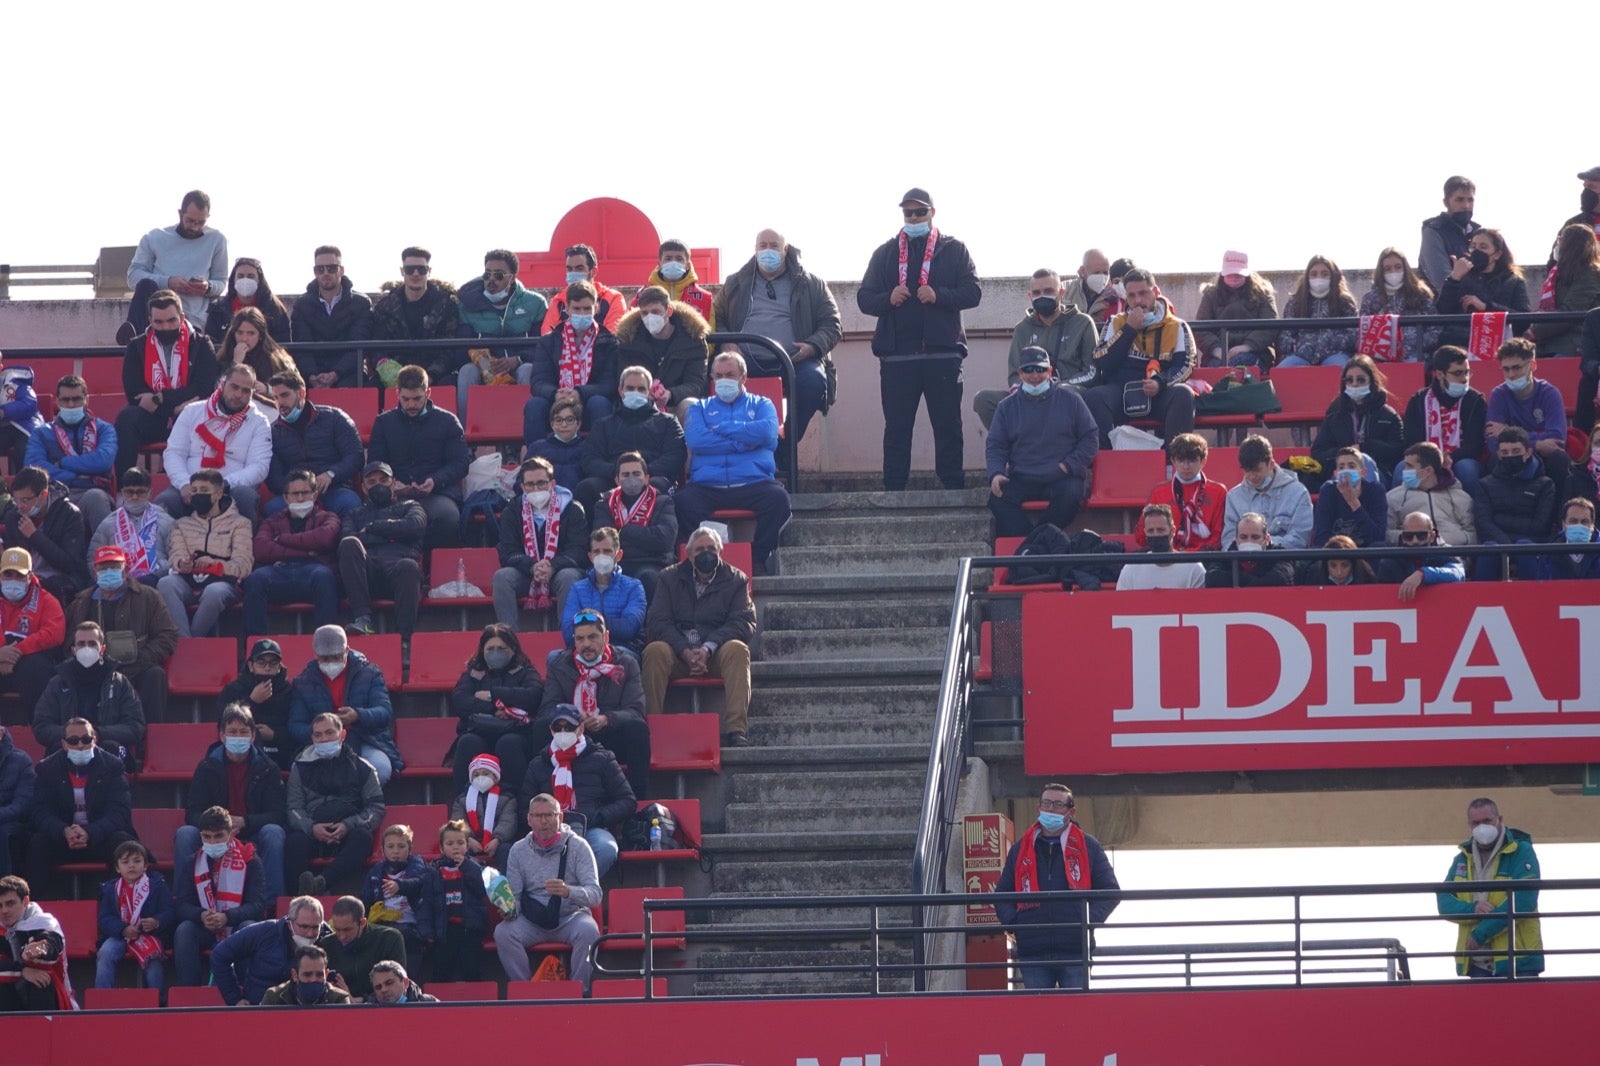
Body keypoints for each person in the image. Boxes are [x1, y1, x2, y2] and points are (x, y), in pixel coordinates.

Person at [857, 188, 982, 491]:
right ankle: (894, 490)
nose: (913, 218)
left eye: (919, 212)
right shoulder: (885, 253)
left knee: (948, 426)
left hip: (942, 354)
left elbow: (973, 292)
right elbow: (864, 299)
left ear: (932, 213)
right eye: (908, 213)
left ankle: (953, 488)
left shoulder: (954, 249)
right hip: (897, 356)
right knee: (897, 428)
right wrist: (888, 298)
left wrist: (939, 295)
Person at [713, 229, 842, 447]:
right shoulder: (735, 283)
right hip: (745, 360)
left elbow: (832, 324)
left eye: (774, 246)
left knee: (813, 382)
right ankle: (740, 448)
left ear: (786, 250)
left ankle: (785, 446)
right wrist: (727, 342)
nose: (767, 251)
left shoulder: (811, 284)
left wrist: (812, 346)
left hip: (794, 360)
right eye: (762, 246)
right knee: (722, 379)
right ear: (755, 250)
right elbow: (717, 318)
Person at [993, 783, 1119, 991]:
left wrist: (1086, 920)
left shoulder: (1088, 846)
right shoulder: (1021, 849)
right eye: (1046, 803)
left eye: (1058, 804)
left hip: (1075, 949)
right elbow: (1002, 895)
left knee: (1077, 1015)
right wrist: (1017, 924)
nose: (1050, 809)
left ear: (1071, 812)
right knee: (1039, 1018)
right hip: (1034, 950)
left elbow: (1110, 892)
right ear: (1038, 808)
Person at [675, 352, 791, 574]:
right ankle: (700, 561)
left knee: (778, 499)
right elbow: (696, 440)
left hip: (753, 483)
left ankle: (758, 559)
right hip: (708, 485)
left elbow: (767, 434)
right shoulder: (700, 408)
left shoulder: (762, 404)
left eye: (730, 374)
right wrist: (744, 440)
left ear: (743, 377)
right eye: (718, 375)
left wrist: (721, 429)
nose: (723, 380)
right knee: (682, 502)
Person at [643, 526, 757, 746]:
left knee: (738, 649)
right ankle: (651, 727)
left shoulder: (736, 580)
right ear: (689, 554)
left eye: (711, 548)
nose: (706, 553)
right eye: (700, 549)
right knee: (654, 651)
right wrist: (684, 651)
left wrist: (708, 648)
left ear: (720, 551)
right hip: (677, 653)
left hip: (715, 654)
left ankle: (736, 730)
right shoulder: (668, 578)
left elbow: (744, 621)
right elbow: (658, 621)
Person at [1076, 268, 1199, 450]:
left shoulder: (1177, 326)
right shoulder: (1115, 322)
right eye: (1131, 296)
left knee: (1183, 395)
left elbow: (1187, 366)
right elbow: (1101, 361)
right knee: (1094, 398)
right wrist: (1129, 330)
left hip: (1159, 392)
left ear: (1156, 292)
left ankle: (1173, 465)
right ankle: (1107, 464)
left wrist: (1160, 382)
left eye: (1143, 293)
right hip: (1120, 391)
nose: (1138, 301)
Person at [492, 794, 602, 990]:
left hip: (571, 917)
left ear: (560, 818)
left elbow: (595, 895)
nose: (543, 821)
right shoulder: (517, 850)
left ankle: (580, 990)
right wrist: (509, 910)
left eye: (549, 815)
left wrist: (568, 891)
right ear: (529, 819)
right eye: (538, 816)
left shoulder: (579, 846)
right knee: (503, 932)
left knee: (589, 930)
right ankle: (525, 990)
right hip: (532, 919)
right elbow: (515, 897)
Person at [984, 349, 1099, 537]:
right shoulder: (1006, 407)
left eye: (1040, 369)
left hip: (1061, 476)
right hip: (1022, 476)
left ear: (1050, 371)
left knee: (1071, 496)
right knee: (997, 500)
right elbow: (996, 445)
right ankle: (1038, 541)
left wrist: (1068, 465)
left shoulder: (1071, 400)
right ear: (1020, 373)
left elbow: (1090, 437)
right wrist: (996, 473)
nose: (1035, 375)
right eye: (1029, 370)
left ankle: (1033, 543)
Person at [178, 704, 288, 899]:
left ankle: (272, 903)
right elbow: (192, 813)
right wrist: (218, 826)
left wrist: (245, 821)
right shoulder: (206, 767)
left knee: (274, 833)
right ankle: (183, 900)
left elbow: (277, 814)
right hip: (214, 835)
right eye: (232, 732)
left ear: (253, 736)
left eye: (244, 732)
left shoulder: (268, 768)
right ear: (222, 736)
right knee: (185, 834)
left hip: (252, 833)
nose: (238, 736)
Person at [540, 612, 652, 798]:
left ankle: (636, 801)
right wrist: (572, 717)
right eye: (580, 639)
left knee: (637, 728)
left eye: (592, 637)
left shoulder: (626, 663)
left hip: (610, 734)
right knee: (539, 728)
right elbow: (547, 708)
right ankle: (545, 802)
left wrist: (606, 719)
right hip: (570, 734)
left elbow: (636, 710)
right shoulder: (559, 665)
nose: (586, 644)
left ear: (606, 636)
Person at [113, 287, 221, 477]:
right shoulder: (137, 346)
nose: (165, 327)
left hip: (190, 416)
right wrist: (174, 407)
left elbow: (204, 388)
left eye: (171, 320)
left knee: (194, 413)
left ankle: (198, 484)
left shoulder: (202, 344)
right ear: (150, 320)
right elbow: (135, 393)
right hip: (154, 420)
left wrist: (160, 398)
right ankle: (125, 489)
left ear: (182, 316)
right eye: (159, 322)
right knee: (127, 418)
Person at [973, 269, 1099, 429]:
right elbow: (1014, 375)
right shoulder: (1022, 329)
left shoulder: (1083, 323)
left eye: (1048, 291)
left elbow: (1092, 372)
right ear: (1030, 296)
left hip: (1068, 394)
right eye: (1037, 292)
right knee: (984, 399)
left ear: (1061, 292)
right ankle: (1013, 448)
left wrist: (1059, 387)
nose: (1042, 296)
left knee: (1067, 394)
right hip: (1030, 394)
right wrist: (1031, 392)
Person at [66, 545, 180, 722]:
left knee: (155, 675)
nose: (108, 572)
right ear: (95, 573)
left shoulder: (148, 596)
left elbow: (168, 635)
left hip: (136, 667)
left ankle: (150, 739)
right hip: (94, 670)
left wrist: (139, 657)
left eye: (114, 567)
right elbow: (69, 643)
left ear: (126, 570)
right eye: (103, 568)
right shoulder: (81, 603)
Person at [23, 719, 135, 897]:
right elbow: (40, 811)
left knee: (124, 844)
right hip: (62, 838)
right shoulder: (47, 769)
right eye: (74, 741)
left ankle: (123, 909)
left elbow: (119, 812)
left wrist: (90, 832)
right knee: (37, 844)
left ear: (94, 739)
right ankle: (36, 909)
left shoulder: (112, 766)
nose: (81, 745)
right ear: (64, 744)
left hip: (100, 837)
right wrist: (63, 830)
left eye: (86, 739)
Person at [522, 705, 636, 879]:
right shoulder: (538, 764)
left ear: (581, 728)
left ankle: (573, 891)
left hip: (591, 828)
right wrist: (542, 822)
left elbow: (627, 800)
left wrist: (599, 816)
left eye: (569, 727)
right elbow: (525, 805)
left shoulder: (602, 758)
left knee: (606, 848)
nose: (563, 731)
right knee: (519, 852)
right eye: (557, 728)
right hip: (548, 831)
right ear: (550, 730)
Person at [1436, 797, 1543, 979]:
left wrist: (1480, 934)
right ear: (1469, 825)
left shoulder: (1521, 851)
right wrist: (1473, 909)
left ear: (1499, 820)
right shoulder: (1462, 858)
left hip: (1518, 961)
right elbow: (1444, 902)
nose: (1481, 827)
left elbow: (1524, 900)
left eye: (1487, 821)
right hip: (1476, 964)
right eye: (1475, 823)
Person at [367, 364, 470, 551]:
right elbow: (376, 462)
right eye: (405, 399)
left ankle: (433, 567)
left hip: (437, 493)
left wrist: (435, 481)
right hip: (394, 496)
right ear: (397, 394)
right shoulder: (383, 422)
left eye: (417, 398)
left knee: (448, 517)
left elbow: (461, 463)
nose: (411, 404)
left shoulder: (448, 421)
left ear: (428, 393)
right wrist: (391, 483)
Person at [155, 364, 273, 523]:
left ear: (252, 394)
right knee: (164, 504)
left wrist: (224, 485)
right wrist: (184, 484)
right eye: (234, 387)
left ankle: (243, 548)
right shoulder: (192, 411)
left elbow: (259, 467)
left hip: (231, 489)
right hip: (190, 486)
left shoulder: (259, 422)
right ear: (222, 385)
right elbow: (174, 453)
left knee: (246, 498)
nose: (238, 394)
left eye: (246, 391)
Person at [284, 712, 385, 896]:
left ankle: (322, 883)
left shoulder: (363, 768)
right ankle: (296, 898)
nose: (324, 739)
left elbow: (375, 808)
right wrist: (312, 827)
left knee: (363, 838)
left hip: (348, 829)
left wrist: (348, 825)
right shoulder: (299, 768)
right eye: (318, 735)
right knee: (294, 842)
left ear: (342, 735)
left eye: (329, 733)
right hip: (312, 829)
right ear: (312, 738)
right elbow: (293, 809)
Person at [288, 625, 403, 787]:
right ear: (315, 655)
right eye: (325, 659)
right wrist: (324, 731)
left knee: (381, 768)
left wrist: (358, 715)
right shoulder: (303, 682)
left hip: (365, 739)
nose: (331, 663)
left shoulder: (370, 673)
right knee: (298, 771)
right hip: (321, 744)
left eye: (336, 657)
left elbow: (384, 712)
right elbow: (295, 725)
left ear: (347, 650)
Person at [171, 805, 270, 990]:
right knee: (184, 930)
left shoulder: (250, 860)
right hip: (205, 927)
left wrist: (227, 917)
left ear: (231, 834)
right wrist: (202, 916)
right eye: (207, 837)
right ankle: (189, 993)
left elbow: (257, 905)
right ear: (200, 836)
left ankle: (247, 991)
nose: (212, 842)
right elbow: (182, 904)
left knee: (248, 928)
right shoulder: (193, 862)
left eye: (218, 836)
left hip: (237, 925)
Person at [493, 455, 588, 628]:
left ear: (552, 484)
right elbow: (506, 551)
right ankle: (508, 639)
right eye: (530, 484)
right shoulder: (512, 510)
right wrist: (532, 566)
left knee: (570, 577)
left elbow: (579, 550)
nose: (536, 488)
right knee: (502, 577)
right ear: (522, 487)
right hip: (526, 572)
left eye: (541, 483)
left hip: (560, 571)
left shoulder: (572, 509)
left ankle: (568, 638)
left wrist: (552, 566)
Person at [156, 468, 253, 638]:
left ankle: (189, 644)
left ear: (218, 494)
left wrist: (215, 564)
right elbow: (175, 555)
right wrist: (181, 563)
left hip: (223, 582)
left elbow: (243, 565)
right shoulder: (181, 524)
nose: (197, 495)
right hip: (188, 579)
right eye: (194, 491)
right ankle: (185, 641)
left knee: (213, 592)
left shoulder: (240, 523)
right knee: (166, 583)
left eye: (204, 491)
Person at [244, 469, 342, 637]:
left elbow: (324, 539)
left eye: (305, 493)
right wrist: (308, 551)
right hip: (279, 571)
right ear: (285, 497)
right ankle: (255, 646)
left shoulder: (328, 517)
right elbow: (260, 549)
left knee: (324, 576)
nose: (300, 498)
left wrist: (283, 539)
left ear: (315, 495)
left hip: (314, 570)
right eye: (295, 493)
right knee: (255, 579)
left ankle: (328, 645)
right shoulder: (272, 520)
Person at [338, 462, 426, 647]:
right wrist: (392, 534)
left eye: (383, 480)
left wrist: (372, 528)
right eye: (371, 482)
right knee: (349, 545)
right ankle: (363, 620)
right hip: (366, 573)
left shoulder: (411, 506)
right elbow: (348, 537)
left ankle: (404, 641)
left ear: (393, 483)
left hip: (399, 571)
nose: (378, 485)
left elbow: (414, 527)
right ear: (363, 488)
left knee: (409, 566)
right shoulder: (353, 515)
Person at [450, 624, 544, 796]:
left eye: (501, 648)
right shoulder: (473, 673)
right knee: (468, 743)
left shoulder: (526, 672)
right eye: (490, 648)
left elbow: (532, 696)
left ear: (512, 649)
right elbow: (460, 701)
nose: (495, 652)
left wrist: (493, 694)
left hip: (515, 732)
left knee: (509, 744)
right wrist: (495, 708)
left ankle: (517, 804)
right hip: (479, 731)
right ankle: (462, 805)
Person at [575, 370, 688, 511]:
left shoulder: (668, 422)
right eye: (630, 388)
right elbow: (590, 458)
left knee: (657, 485)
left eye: (641, 389)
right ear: (620, 391)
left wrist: (641, 474)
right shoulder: (603, 424)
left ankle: (652, 532)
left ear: (649, 391)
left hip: (651, 478)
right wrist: (620, 474)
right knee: (587, 488)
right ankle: (600, 532)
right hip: (612, 478)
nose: (635, 392)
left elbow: (675, 456)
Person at [121, 190, 228, 338]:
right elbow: (133, 276)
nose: (195, 227)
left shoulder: (217, 240)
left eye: (201, 222)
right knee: (146, 285)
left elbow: (221, 282)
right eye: (190, 221)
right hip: (155, 317)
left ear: (207, 218)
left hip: (192, 321)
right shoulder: (154, 237)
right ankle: (132, 337)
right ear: (180, 214)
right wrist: (168, 282)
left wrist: (207, 287)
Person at [32, 622, 144, 762]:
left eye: (92, 644)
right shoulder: (57, 684)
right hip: (68, 748)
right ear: (74, 650)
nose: (86, 648)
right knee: (55, 752)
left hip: (108, 747)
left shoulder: (120, 683)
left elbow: (135, 727)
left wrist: (97, 733)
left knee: (114, 749)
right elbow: (41, 727)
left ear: (102, 649)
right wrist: (75, 736)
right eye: (81, 644)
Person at [454, 248, 546, 415]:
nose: (491, 280)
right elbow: (462, 344)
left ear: (512, 278)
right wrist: (483, 362)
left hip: (519, 364)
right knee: (467, 371)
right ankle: (464, 431)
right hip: (484, 366)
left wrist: (517, 359)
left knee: (527, 370)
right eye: (487, 275)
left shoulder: (535, 303)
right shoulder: (467, 305)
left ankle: (526, 427)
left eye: (498, 275)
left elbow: (542, 346)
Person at [265, 369, 365, 517]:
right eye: (276, 397)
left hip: (334, 488)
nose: (280, 403)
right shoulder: (273, 432)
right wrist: (297, 488)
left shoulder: (334, 418)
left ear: (302, 393)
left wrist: (331, 474)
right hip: (295, 495)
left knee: (349, 503)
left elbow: (356, 456)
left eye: (285, 395)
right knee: (272, 509)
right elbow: (274, 477)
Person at [526, 280, 619, 439]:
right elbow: (538, 382)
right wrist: (555, 394)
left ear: (596, 309)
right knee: (535, 405)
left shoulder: (609, 342)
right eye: (576, 309)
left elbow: (610, 384)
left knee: (599, 403)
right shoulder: (548, 342)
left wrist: (580, 393)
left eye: (587, 309)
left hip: (589, 406)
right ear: (567, 309)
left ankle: (602, 456)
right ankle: (536, 457)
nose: (582, 313)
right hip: (556, 405)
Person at [25, 374, 116, 534]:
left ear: (86, 400)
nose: (71, 404)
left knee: (95, 498)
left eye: (77, 399)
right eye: (66, 400)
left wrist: (63, 462)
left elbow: (103, 461)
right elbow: (34, 468)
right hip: (55, 494)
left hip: (93, 491)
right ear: (58, 402)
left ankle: (107, 555)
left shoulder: (104, 429)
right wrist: (74, 476)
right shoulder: (42, 433)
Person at [370, 247, 463, 391]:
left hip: (434, 375)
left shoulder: (446, 306)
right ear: (402, 271)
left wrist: (430, 376)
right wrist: (392, 373)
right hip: (395, 377)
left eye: (421, 269)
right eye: (410, 269)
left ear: (429, 271)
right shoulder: (385, 307)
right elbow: (376, 346)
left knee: (451, 382)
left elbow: (449, 349)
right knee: (373, 386)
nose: (415, 274)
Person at [589, 451, 677, 602]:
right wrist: (645, 537)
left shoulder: (663, 502)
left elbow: (664, 540)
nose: (631, 479)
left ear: (647, 478)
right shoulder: (604, 505)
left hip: (653, 563)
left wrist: (623, 530)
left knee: (648, 577)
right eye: (626, 474)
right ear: (617, 480)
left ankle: (649, 626)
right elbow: (602, 540)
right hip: (617, 562)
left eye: (636, 474)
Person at [211, 895, 330, 1006]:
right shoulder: (264, 932)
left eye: (315, 927)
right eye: (304, 927)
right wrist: (235, 1000)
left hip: (311, 1014)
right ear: (289, 924)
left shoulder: (328, 939)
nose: (310, 933)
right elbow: (219, 955)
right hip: (259, 1011)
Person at [1486, 337, 1572, 489]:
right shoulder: (1498, 394)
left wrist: (1507, 432)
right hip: (1512, 456)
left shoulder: (1550, 393)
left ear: (1532, 365)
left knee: (1559, 458)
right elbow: (1493, 443)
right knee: (1495, 459)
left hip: (1543, 458)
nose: (1511, 375)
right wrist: (1538, 442)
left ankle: (1558, 511)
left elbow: (1557, 439)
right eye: (1506, 369)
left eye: (1517, 368)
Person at [1470, 427, 1556, 581]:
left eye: (1516, 451)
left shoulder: (1545, 485)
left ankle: (1536, 599)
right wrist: (1507, 546)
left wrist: (1500, 520)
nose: (1510, 456)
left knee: (1525, 547)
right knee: (1490, 549)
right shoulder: (1484, 484)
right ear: (1498, 454)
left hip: (1533, 545)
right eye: (1505, 452)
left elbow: (1541, 526)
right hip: (1497, 543)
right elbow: (1484, 524)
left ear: (1528, 452)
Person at [614, 286, 711, 419]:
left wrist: (671, 394)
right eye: (645, 313)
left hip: (675, 404)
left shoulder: (693, 340)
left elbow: (697, 384)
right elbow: (622, 379)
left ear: (669, 311)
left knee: (690, 405)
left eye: (655, 311)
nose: (650, 317)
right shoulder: (629, 340)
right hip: (640, 401)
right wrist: (644, 392)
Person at [1400, 346, 1487, 493]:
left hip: (1460, 459)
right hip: (1423, 459)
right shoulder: (1419, 399)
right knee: (1400, 470)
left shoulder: (1475, 400)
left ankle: (1471, 514)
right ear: (1440, 374)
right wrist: (1432, 460)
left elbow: (1474, 445)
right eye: (1457, 373)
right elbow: (1411, 441)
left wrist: (1447, 458)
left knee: (1467, 469)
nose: (1464, 378)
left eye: (1467, 372)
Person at [1308, 355, 1404, 486]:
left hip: (1379, 472)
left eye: (1361, 380)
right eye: (1349, 380)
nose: (1354, 384)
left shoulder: (1388, 416)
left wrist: (1364, 448)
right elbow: (1318, 452)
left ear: (1372, 382)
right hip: (1341, 470)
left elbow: (1398, 451)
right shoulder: (1335, 413)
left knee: (1366, 464)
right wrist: (1346, 453)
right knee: (1330, 484)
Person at [92, 840, 172, 994]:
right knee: (105, 953)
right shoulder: (110, 889)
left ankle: (159, 1002)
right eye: (125, 862)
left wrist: (156, 922)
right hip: (119, 935)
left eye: (137, 861)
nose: (131, 866)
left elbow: (169, 911)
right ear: (117, 867)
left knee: (154, 960)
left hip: (149, 935)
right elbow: (104, 919)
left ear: (145, 865)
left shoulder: (157, 885)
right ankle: (101, 1000)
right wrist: (122, 929)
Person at [289, 246, 374, 389]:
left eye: (332, 268)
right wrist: (312, 376)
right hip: (311, 377)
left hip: (350, 375)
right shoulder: (301, 305)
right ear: (314, 272)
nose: (326, 273)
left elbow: (359, 345)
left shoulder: (361, 303)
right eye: (320, 269)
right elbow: (302, 347)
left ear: (341, 270)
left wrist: (335, 374)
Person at [4, 465, 89, 606]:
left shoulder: (69, 514)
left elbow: (70, 564)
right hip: (24, 576)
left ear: (43, 495)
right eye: (16, 500)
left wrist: (34, 535)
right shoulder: (13, 516)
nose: (20, 506)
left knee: (49, 588)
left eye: (25, 500)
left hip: (61, 578)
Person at [1437, 229, 1531, 349]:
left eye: (1483, 247)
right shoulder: (1462, 277)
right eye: (1473, 246)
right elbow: (1443, 311)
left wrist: (1486, 307)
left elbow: (1524, 319)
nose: (1477, 251)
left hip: (1501, 348)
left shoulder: (1513, 281)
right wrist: (1454, 278)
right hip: (1462, 347)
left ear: (1497, 254)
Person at [0, 547, 66, 716]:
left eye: (20, 575)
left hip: (29, 668)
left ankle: (40, 728)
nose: (13, 580)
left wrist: (16, 652)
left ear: (30, 576)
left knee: (35, 667)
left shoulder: (47, 600)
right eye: (8, 574)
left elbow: (55, 633)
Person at [424, 820, 491, 984]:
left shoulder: (476, 866)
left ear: (467, 845)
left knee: (471, 968)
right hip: (445, 930)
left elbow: (483, 889)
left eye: (460, 843)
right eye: (450, 843)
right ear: (441, 848)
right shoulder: (434, 871)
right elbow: (427, 903)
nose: (455, 847)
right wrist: (427, 931)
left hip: (470, 928)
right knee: (441, 968)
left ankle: (477, 1003)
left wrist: (466, 866)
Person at [562, 527, 647, 654]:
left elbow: (629, 628)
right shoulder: (577, 589)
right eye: (596, 551)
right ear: (590, 557)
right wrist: (603, 627)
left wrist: (588, 622)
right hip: (584, 651)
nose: (601, 556)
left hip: (621, 650)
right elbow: (569, 632)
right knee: (553, 657)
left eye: (607, 551)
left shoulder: (634, 587)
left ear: (619, 555)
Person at [1222, 435, 1313, 549]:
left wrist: (1260, 545)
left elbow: (1300, 540)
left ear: (1271, 464)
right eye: (1247, 471)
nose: (1251, 476)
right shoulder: (1233, 497)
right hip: (1243, 564)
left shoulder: (1298, 493)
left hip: (1285, 561)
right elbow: (1227, 542)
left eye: (1257, 470)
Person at [0, 874, 75, 1012]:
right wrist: (22, 972)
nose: (4, 910)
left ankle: (43, 1031)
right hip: (11, 990)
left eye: (10, 903)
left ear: (25, 901)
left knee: (41, 982)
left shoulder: (43, 922)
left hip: (48, 994)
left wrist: (42, 949)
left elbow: (52, 942)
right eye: (0, 905)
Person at [218, 639, 296, 770]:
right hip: (243, 748)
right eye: (261, 662)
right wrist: (251, 702)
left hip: (281, 750)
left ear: (279, 666)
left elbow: (296, 726)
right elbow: (222, 723)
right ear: (251, 665)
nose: (267, 668)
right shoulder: (233, 690)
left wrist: (275, 735)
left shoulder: (289, 691)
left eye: (273, 663)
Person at [1193, 250, 1279, 368]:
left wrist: (1247, 346)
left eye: (1238, 274)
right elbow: (1201, 329)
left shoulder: (1263, 294)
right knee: (1222, 366)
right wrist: (1217, 349)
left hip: (1256, 353)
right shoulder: (1210, 295)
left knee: (1238, 364)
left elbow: (1270, 326)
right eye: (1230, 274)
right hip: (1216, 356)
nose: (1234, 277)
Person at [88, 470, 174, 585]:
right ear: (122, 493)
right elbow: (93, 559)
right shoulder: (108, 523)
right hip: (116, 580)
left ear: (150, 493)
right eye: (129, 492)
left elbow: (175, 557)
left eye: (140, 492)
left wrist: (159, 569)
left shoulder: (166, 521)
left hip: (154, 579)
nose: (134, 497)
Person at [1529, 224, 1600, 357]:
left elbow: (1571, 311)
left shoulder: (1590, 273)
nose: (1557, 244)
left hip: (1573, 345)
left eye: (1561, 240)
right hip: (1547, 344)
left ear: (1571, 244)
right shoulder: (1556, 273)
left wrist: (1534, 332)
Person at [1275, 255, 1359, 368]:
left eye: (1324, 274)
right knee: (1281, 372)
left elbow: (1354, 335)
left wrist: (1326, 343)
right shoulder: (1295, 302)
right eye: (1314, 274)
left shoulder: (1345, 301)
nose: (1319, 278)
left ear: (1333, 276)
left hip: (1335, 355)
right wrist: (1300, 345)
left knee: (1345, 370)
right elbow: (1284, 337)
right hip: (1300, 356)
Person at [1389, 442, 1478, 548]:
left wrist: (1439, 539)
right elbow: (1386, 534)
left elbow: (1474, 535)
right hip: (1408, 558)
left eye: (1409, 466)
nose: (1404, 471)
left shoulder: (1461, 497)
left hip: (1451, 557)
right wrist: (1413, 537)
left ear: (1428, 470)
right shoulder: (1393, 497)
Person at [361, 826, 429, 965]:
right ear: (383, 849)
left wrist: (400, 885)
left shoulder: (417, 865)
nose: (396, 851)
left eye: (401, 846)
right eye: (390, 846)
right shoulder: (375, 872)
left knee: (406, 938)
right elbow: (365, 900)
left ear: (410, 849)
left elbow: (419, 881)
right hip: (383, 922)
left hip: (410, 924)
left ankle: (408, 982)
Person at [1359, 248, 1440, 362]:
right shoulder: (1370, 299)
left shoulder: (1420, 293)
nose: (1393, 272)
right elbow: (1362, 333)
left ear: (1405, 268)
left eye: (1398, 267)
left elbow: (1435, 328)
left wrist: (1408, 345)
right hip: (1380, 358)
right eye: (1387, 268)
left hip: (1415, 354)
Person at [320, 894, 406, 1001]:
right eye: (337, 929)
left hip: (380, 1008)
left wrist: (360, 1000)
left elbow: (397, 985)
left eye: (347, 930)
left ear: (363, 923)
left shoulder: (389, 939)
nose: (342, 936)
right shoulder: (327, 944)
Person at [215, 307, 296, 415]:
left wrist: (268, 389)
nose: (244, 338)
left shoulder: (276, 359)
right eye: (240, 333)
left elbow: (294, 388)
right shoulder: (224, 357)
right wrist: (235, 363)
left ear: (260, 335)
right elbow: (217, 389)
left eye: (251, 333)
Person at [540, 243, 628, 335]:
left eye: (579, 268)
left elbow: (612, 336)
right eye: (569, 269)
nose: (573, 273)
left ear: (593, 272)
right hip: (564, 349)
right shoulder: (558, 302)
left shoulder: (613, 299)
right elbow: (548, 336)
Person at [204, 257, 292, 346]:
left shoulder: (275, 310)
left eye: (251, 276)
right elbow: (212, 346)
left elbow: (283, 346)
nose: (245, 280)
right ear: (233, 280)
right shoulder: (218, 311)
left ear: (259, 280)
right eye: (240, 276)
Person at [1378, 511, 1465, 599]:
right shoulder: (1391, 561)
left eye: (1421, 535)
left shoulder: (1446, 552)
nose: (1415, 541)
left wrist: (1423, 574)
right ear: (1402, 538)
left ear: (1432, 536)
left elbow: (1458, 573)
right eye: (1408, 536)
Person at [1313, 446, 1387, 548]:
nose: (1346, 471)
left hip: (1365, 553)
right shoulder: (1328, 490)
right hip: (1335, 552)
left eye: (1351, 466)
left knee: (1378, 546)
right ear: (1335, 473)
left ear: (1363, 472)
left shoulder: (1376, 490)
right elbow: (1322, 536)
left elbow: (1377, 536)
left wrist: (1353, 502)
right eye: (1341, 467)